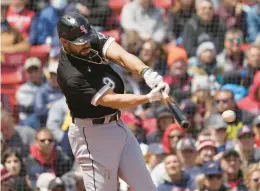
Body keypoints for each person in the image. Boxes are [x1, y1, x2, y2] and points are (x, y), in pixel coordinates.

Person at [56, 12, 170, 191]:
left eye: (86, 39)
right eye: (80, 42)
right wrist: (148, 98)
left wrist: (146, 72)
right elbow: (111, 100)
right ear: (64, 42)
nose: (86, 44)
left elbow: (120, 55)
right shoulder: (70, 74)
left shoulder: (86, 38)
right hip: (92, 137)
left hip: (117, 127)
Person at [16, 57, 45, 128]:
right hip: (28, 123)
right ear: (27, 73)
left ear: (41, 70)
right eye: (30, 72)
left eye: (36, 70)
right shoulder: (23, 90)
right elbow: (36, 108)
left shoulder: (49, 85)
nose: (33, 74)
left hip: (46, 120)